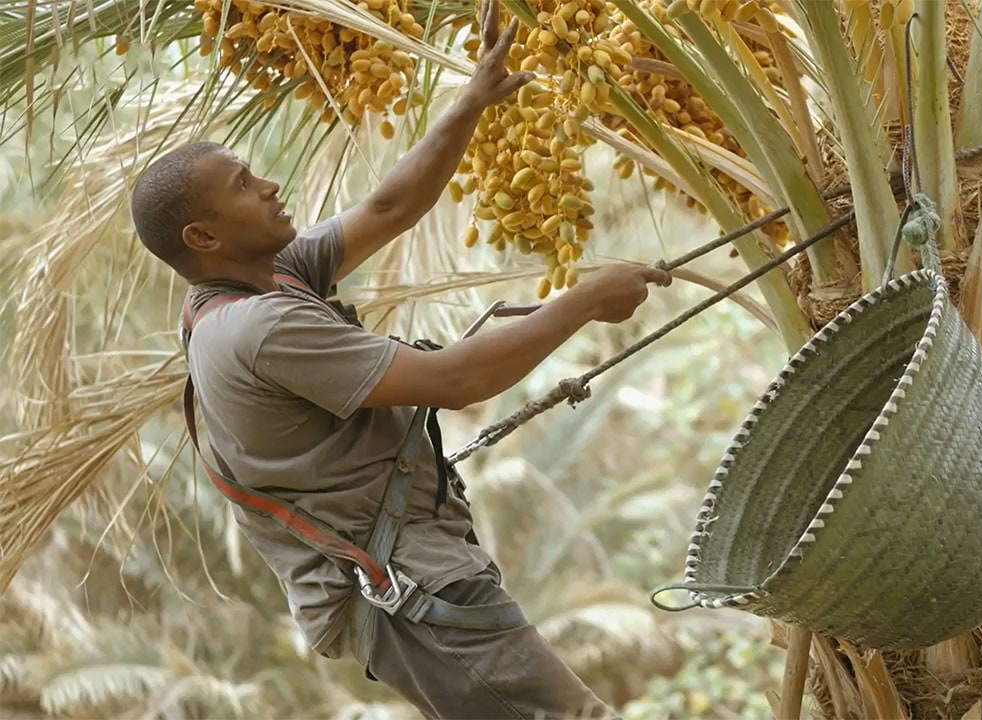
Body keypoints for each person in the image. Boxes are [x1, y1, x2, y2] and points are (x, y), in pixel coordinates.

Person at [127, 1, 671, 717]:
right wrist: (584, 301)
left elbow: (389, 209)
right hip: (407, 592)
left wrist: (473, 98)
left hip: (418, 575)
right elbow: (457, 381)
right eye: (243, 187)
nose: (268, 186)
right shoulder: (259, 328)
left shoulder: (271, 273)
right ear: (203, 237)